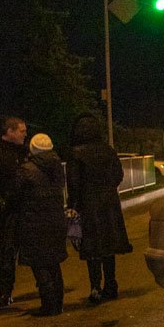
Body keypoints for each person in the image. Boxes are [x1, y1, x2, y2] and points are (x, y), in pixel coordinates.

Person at [66, 113, 131, 303]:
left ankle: (95, 287)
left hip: (89, 204)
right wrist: (108, 188)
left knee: (92, 247)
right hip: (109, 203)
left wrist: (73, 205)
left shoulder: (76, 153)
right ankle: (111, 284)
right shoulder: (108, 151)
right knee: (109, 246)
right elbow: (118, 175)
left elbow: (73, 183)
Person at [13, 134, 68, 316]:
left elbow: (16, 195)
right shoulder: (57, 166)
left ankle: (49, 304)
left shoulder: (26, 169)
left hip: (33, 221)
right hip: (55, 219)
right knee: (53, 263)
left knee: (39, 263)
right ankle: (58, 302)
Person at [0, 116, 28, 308]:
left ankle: (46, 286)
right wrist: (0, 201)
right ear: (9, 132)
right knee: (8, 251)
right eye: (21, 131)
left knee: (34, 248)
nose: (25, 134)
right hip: (9, 211)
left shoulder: (23, 152)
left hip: (25, 208)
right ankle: (5, 293)